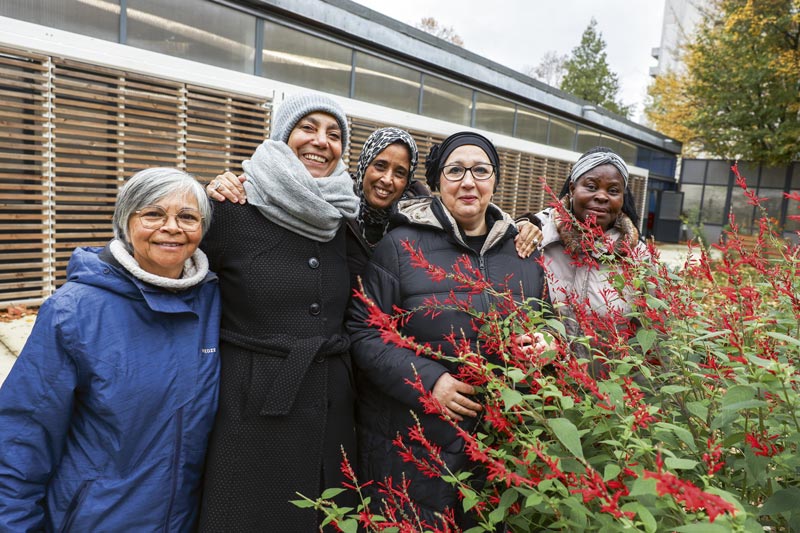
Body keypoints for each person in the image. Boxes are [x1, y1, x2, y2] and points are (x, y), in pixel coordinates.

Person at [347, 131, 549, 528]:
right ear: (437, 182)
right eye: (455, 170)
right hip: (413, 445)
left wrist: (547, 344)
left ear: (495, 179)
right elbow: (363, 332)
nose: (468, 181)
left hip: (497, 449)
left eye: (480, 170)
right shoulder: (400, 246)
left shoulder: (523, 252)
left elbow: (547, 321)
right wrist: (430, 381)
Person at [0, 168, 219, 531]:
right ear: (125, 221)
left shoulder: (214, 300)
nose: (171, 227)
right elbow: (22, 437)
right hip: (96, 520)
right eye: (152, 214)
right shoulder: (74, 311)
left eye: (187, 217)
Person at [198, 92, 360, 532]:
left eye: (334, 134)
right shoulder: (232, 207)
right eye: (308, 128)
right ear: (282, 135)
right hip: (251, 403)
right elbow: (172, 261)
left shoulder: (344, 216)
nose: (321, 141)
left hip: (330, 403)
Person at [533, 146, 649, 369]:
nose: (601, 196)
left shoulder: (639, 259)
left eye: (613, 190)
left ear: (622, 198)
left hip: (606, 396)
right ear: (572, 187)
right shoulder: (536, 239)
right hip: (541, 394)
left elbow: (650, 339)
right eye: (591, 186)